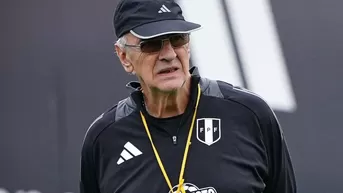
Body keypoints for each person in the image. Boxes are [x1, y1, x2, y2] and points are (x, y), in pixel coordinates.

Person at [80, 0, 297, 192]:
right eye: (152, 44)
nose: (170, 54)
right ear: (124, 57)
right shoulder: (104, 139)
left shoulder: (250, 115)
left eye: (177, 39)